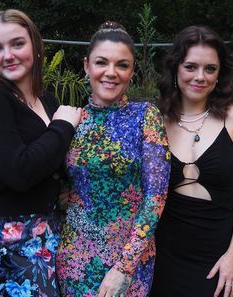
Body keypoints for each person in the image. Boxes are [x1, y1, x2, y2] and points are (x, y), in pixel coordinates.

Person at [0, 9, 81, 296]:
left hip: (46, 227)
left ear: (36, 47)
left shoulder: (48, 102)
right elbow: (20, 171)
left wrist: (66, 187)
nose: (8, 55)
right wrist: (63, 125)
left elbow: (53, 161)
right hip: (6, 234)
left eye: (17, 44)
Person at [55, 21, 171, 297]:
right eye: (101, 62)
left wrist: (124, 267)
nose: (111, 73)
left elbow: (156, 195)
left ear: (131, 71)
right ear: (86, 66)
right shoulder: (70, 119)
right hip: (75, 257)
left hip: (130, 259)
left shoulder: (146, 116)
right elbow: (33, 168)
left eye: (122, 65)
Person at [150, 25, 233, 297]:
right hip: (161, 257)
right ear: (176, 69)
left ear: (219, 73)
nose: (200, 77)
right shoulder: (155, 121)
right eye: (191, 67)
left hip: (215, 259)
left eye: (210, 69)